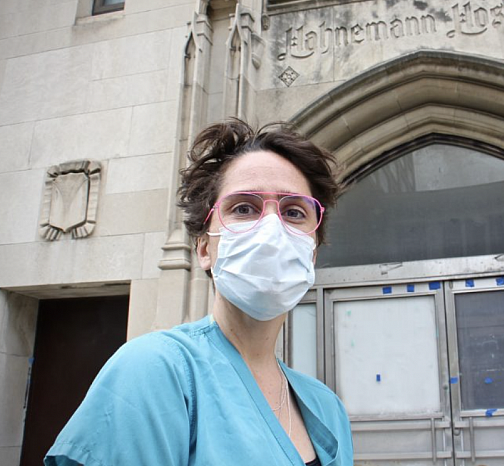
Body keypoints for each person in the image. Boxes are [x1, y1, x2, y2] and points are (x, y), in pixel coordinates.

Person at [45, 119, 352, 465]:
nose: (271, 228)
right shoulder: (155, 372)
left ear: (311, 253)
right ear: (204, 248)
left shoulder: (328, 409)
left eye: (294, 212)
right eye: (244, 208)